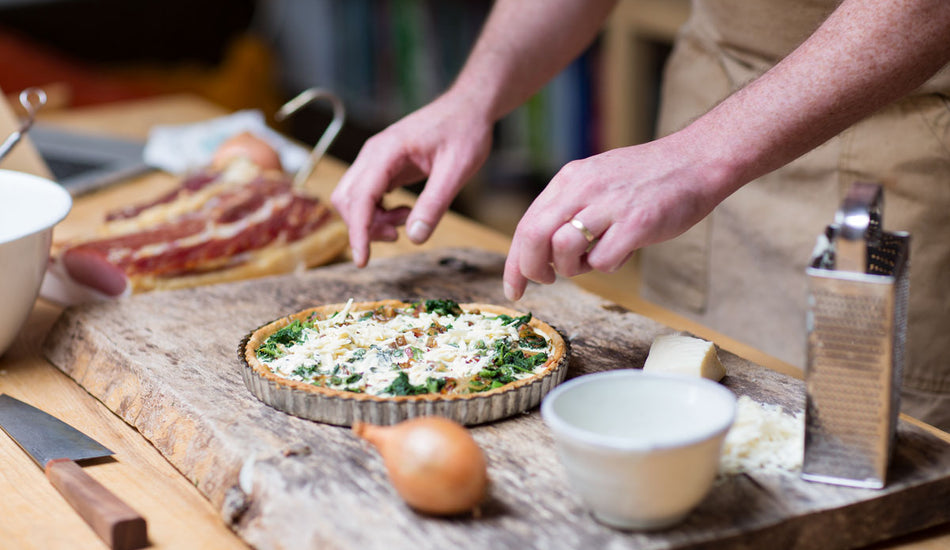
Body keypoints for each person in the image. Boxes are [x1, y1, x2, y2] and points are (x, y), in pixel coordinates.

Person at [331, 0, 950, 430]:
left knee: (858, 455)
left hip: (897, 145)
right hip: (711, 100)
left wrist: (700, 156)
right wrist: (473, 97)